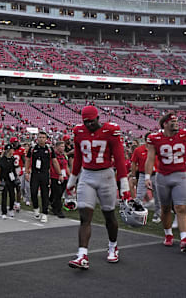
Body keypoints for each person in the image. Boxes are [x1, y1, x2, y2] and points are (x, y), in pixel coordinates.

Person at [67, 106, 130, 269]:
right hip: (87, 175)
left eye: (91, 121)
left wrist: (124, 186)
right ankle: (82, 255)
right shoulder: (79, 132)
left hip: (106, 176)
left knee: (109, 215)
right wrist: (71, 181)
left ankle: (112, 246)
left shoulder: (111, 131)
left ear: (98, 118)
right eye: (85, 122)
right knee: (84, 217)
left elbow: (119, 158)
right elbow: (78, 158)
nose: (88, 125)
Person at [144, 112, 186, 253]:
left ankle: (184, 239)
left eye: (176, 121)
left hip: (181, 175)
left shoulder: (184, 135)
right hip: (162, 176)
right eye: (172, 121)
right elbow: (150, 159)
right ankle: (168, 234)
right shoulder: (154, 138)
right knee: (165, 208)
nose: (176, 123)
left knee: (181, 207)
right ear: (165, 124)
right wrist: (146, 177)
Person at [25, 132, 59, 223]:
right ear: (37, 138)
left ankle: (44, 213)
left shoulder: (49, 149)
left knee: (45, 194)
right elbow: (28, 160)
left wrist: (59, 174)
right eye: (40, 137)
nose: (41, 139)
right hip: (35, 173)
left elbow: (54, 162)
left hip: (45, 174)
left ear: (46, 138)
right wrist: (26, 172)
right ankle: (36, 208)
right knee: (33, 192)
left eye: (43, 137)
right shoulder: (32, 148)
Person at [131, 132, 161, 222]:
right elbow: (133, 163)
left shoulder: (158, 150)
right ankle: (138, 214)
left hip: (156, 175)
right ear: (146, 140)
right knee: (139, 196)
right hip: (143, 174)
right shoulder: (138, 150)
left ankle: (157, 215)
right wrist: (133, 176)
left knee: (157, 196)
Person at [0, 144, 19, 219]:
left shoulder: (13, 159)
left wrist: (16, 178)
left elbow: (14, 169)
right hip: (4, 179)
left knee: (12, 195)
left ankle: (11, 209)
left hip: (11, 179)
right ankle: (4, 212)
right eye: (12, 149)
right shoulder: (2, 160)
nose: (13, 151)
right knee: (4, 196)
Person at [50, 141, 68, 219]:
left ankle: (52, 204)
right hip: (55, 176)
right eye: (61, 146)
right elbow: (51, 166)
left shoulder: (64, 155)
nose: (63, 148)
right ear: (57, 147)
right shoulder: (53, 155)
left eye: (63, 146)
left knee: (59, 193)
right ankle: (58, 210)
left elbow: (66, 166)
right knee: (58, 193)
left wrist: (70, 176)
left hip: (64, 176)